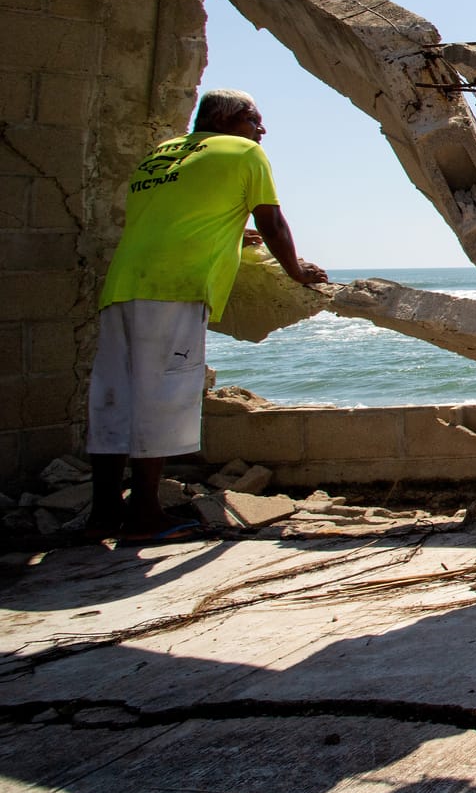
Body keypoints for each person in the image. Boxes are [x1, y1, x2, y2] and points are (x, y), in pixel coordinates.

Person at [84, 89, 326, 538]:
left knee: (113, 401)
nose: (262, 130)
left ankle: (102, 515)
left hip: (122, 286)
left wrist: (238, 235)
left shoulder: (162, 154)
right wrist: (296, 271)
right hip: (175, 288)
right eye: (256, 119)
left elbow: (180, 218)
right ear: (232, 118)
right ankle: (144, 517)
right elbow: (273, 220)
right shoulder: (244, 151)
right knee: (162, 399)